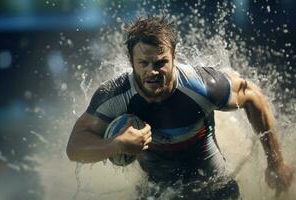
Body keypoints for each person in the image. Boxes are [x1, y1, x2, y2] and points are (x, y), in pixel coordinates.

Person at [66, 16, 293, 199]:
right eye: (143, 63)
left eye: (160, 62)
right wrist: (116, 144)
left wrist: (276, 163)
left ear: (174, 56)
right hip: (157, 193)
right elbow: (74, 148)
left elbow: (253, 96)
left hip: (215, 189)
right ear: (131, 62)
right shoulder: (115, 95)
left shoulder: (202, 86)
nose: (152, 72)